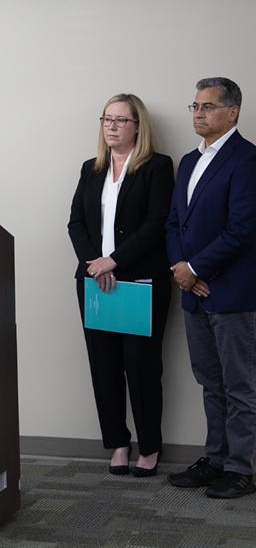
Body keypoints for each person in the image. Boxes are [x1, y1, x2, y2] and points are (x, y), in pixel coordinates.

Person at [68, 93, 174, 477]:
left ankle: (149, 447)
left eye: (120, 120)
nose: (111, 126)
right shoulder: (91, 168)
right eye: (106, 119)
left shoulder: (157, 167)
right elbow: (76, 223)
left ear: (137, 126)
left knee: (141, 367)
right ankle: (117, 443)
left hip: (140, 282)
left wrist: (115, 261)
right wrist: (96, 266)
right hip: (96, 283)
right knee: (104, 366)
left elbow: (157, 223)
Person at [166, 77, 256, 498]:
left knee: (241, 386)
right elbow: (173, 223)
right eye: (195, 107)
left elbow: (242, 230)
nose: (198, 113)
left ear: (232, 112)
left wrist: (196, 268)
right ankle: (217, 459)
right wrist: (181, 269)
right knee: (211, 382)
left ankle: (242, 468)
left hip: (233, 294)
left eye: (208, 106)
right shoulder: (188, 160)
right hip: (193, 292)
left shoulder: (247, 160)